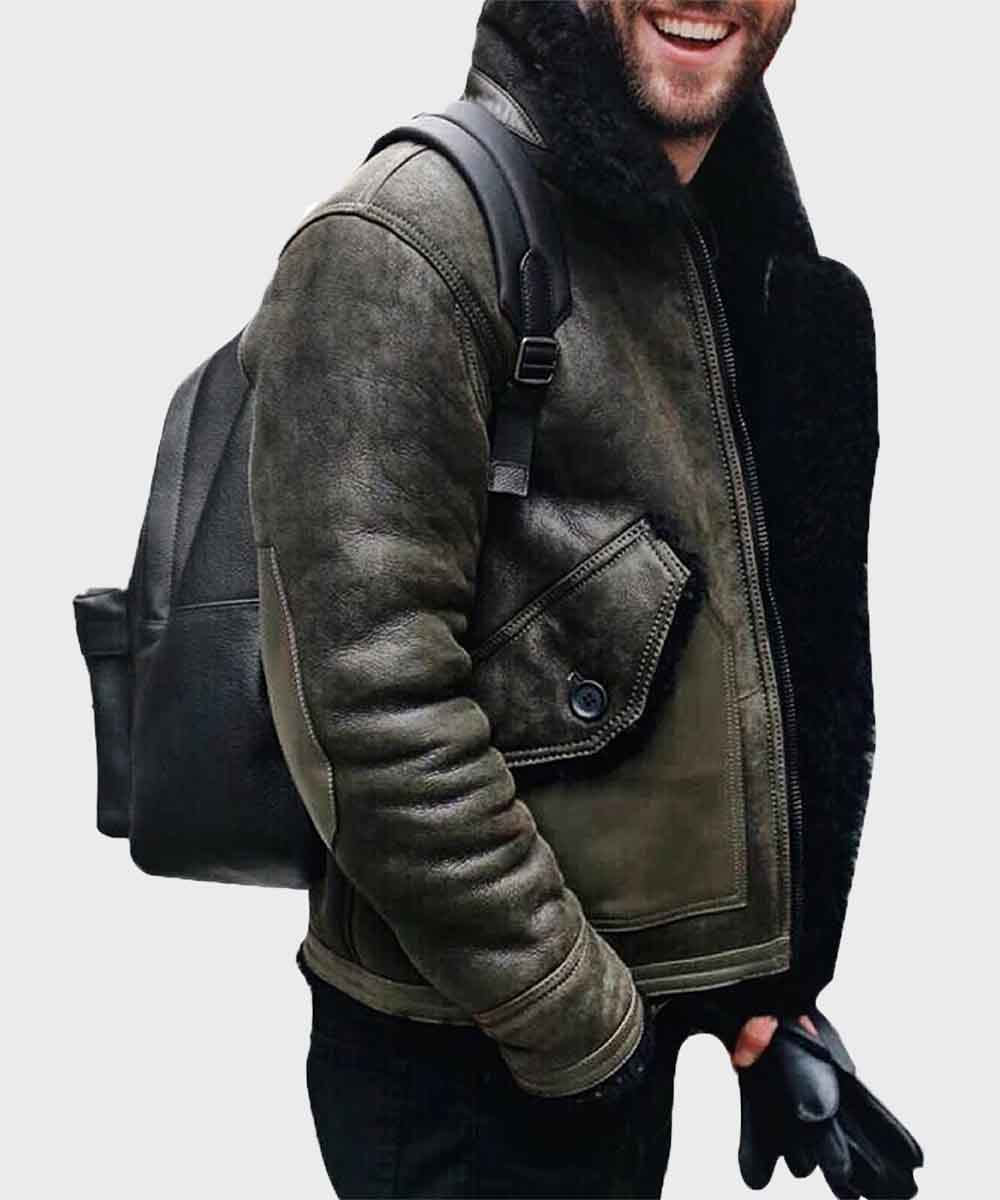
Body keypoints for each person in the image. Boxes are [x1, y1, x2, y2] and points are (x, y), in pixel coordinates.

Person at [239, 1, 883, 1195]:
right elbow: (370, 720)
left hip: (602, 1040)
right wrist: (584, 1028)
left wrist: (749, 992)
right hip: (470, 1073)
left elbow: (701, 639)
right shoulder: (405, 239)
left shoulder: (712, 236)